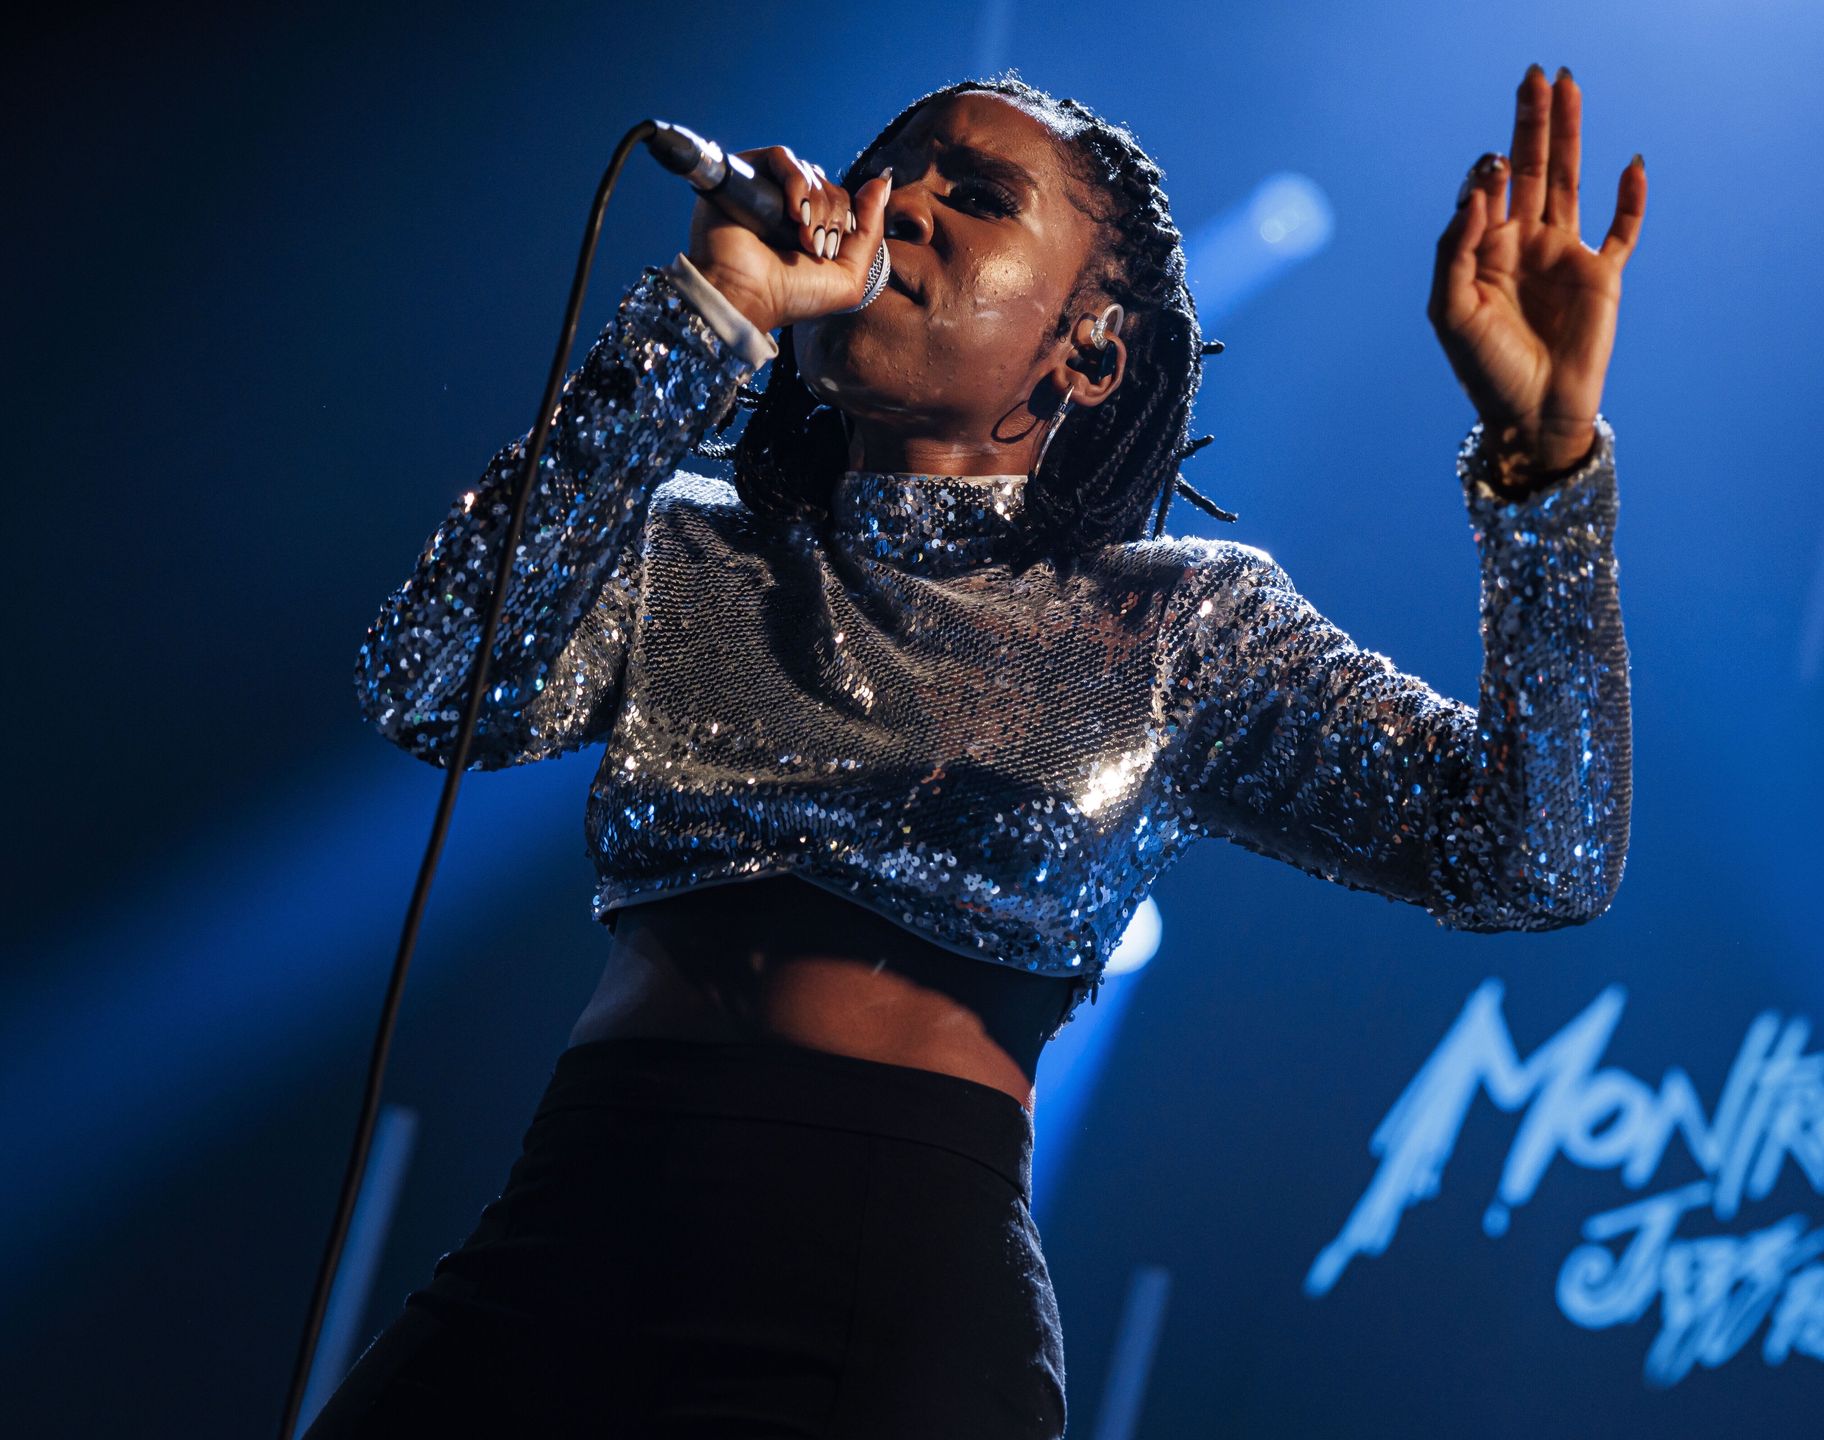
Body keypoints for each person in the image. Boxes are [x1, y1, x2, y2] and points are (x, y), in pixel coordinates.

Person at [312, 64, 1644, 1440]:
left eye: (982, 195)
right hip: (562, 1246)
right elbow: (425, 683)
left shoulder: (1175, 626)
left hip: (882, 1314)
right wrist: (706, 320)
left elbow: (1533, 858)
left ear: (1090, 351)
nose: (909, 207)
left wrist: (1545, 474)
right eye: (895, 169)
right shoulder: (688, 546)